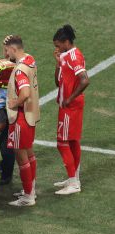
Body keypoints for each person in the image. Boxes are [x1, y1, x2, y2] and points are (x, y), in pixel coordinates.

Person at [3, 35, 40, 206]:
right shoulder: (30, 59)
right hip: (30, 116)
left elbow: (24, 93)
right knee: (30, 154)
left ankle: (28, 197)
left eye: (7, 49)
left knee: (21, 157)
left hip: (20, 118)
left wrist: (14, 103)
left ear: (14, 49)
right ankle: (31, 189)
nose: (5, 52)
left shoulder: (19, 71)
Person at [52, 25, 89, 195]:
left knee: (62, 143)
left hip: (70, 107)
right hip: (67, 105)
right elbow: (58, 82)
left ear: (67, 42)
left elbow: (84, 80)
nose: (56, 48)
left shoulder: (75, 56)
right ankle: (74, 178)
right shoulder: (66, 55)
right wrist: (58, 63)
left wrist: (70, 98)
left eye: (58, 45)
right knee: (73, 141)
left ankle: (73, 183)